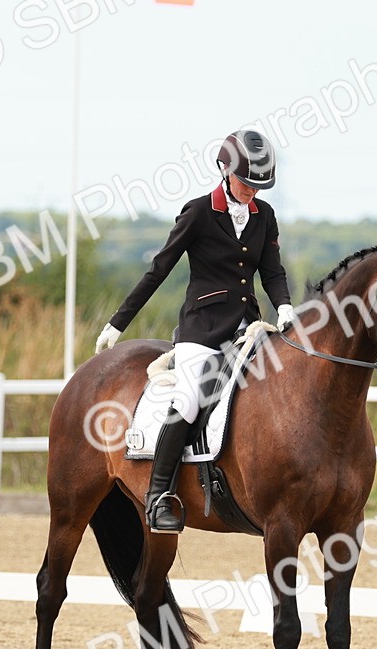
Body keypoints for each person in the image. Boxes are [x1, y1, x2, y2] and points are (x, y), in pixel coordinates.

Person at [94, 129, 298, 533]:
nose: (251, 192)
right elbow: (159, 270)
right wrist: (118, 323)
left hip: (248, 328)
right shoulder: (199, 212)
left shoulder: (265, 215)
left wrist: (287, 308)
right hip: (201, 331)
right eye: (246, 183)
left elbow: (272, 271)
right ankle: (159, 497)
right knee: (189, 399)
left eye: (258, 186)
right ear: (224, 169)